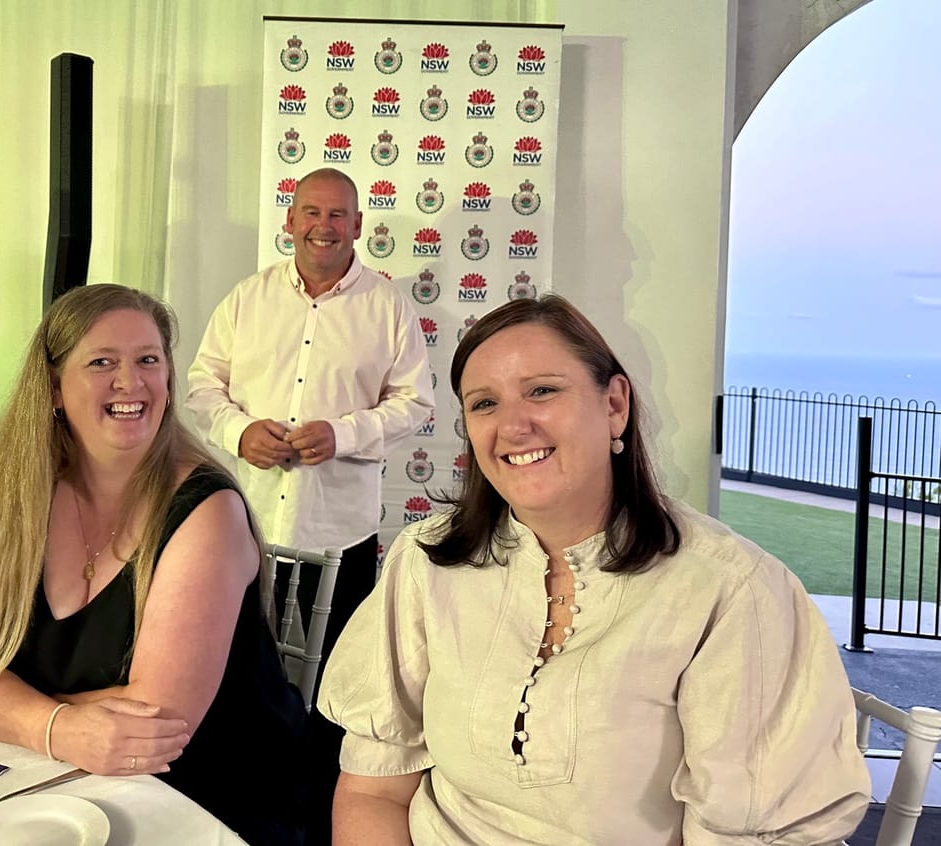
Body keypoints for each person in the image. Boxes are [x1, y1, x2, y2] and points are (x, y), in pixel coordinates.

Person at [317, 294, 871, 845]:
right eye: (484, 404)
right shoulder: (427, 559)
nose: (512, 426)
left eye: (542, 391)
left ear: (615, 406)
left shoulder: (732, 591)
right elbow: (374, 789)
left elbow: (753, 835)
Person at [0, 284, 306, 845]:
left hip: (209, 795)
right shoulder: (11, 494)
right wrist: (58, 725)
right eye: (102, 362)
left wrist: (1, 701)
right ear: (53, 388)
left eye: (148, 361)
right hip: (53, 776)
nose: (130, 382)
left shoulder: (208, 510)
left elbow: (156, 722)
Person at [186, 167, 434, 843]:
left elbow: (416, 401)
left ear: (358, 226)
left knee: (337, 692)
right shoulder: (247, 298)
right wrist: (240, 432)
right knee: (238, 673)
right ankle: (241, 809)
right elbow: (202, 386)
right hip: (247, 526)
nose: (324, 226)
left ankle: (321, 818)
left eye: (338, 215)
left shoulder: (388, 307)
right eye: (312, 212)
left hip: (339, 531)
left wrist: (344, 434)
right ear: (290, 221)